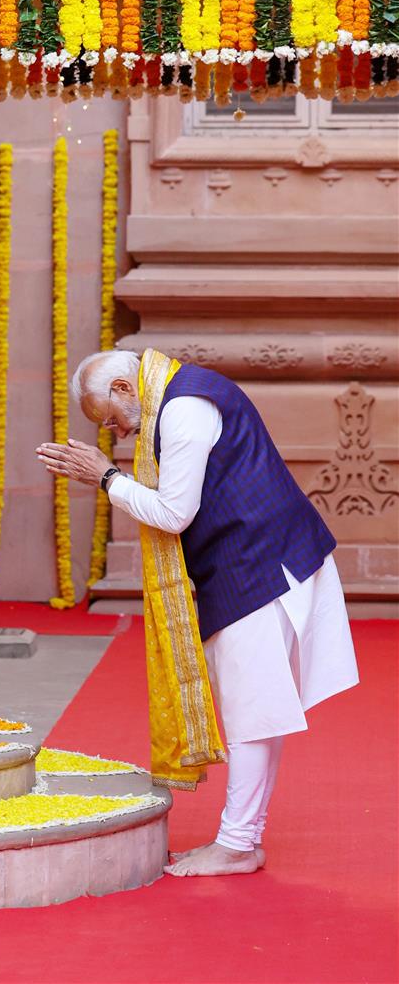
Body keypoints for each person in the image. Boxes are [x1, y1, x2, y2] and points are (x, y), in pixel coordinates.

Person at [36, 347, 359, 878]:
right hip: (257, 559)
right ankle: (243, 841)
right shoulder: (179, 392)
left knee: (251, 712)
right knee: (259, 709)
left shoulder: (183, 407)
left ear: (124, 389)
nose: (118, 436)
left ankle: (235, 845)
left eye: (113, 421)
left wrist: (106, 479)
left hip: (259, 564)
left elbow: (173, 513)